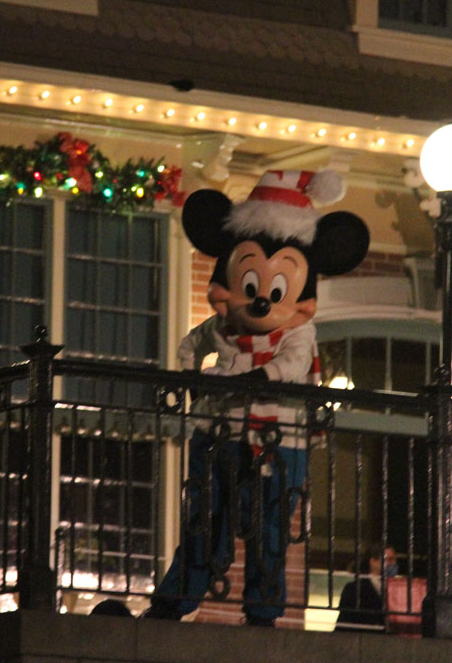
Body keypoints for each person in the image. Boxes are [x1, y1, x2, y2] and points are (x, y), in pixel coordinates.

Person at [142, 170, 370, 627]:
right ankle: (176, 601)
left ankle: (263, 610)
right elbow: (190, 346)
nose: (263, 300)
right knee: (206, 521)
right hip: (221, 434)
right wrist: (191, 374)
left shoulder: (301, 330)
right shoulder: (220, 329)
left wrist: (249, 378)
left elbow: (292, 364)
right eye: (252, 283)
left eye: (277, 288)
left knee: (270, 528)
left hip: (279, 442)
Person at [335, 544, 397, 633]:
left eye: (394, 560)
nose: (393, 564)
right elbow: (345, 622)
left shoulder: (398, 589)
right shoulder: (354, 589)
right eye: (389, 560)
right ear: (373, 561)